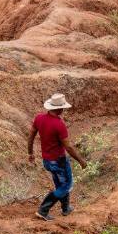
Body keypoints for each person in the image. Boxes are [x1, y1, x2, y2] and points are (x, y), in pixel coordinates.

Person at [27, 93, 87, 221]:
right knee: (66, 185)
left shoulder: (39, 118)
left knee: (61, 183)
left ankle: (66, 208)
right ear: (59, 109)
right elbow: (68, 147)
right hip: (59, 160)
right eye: (63, 108)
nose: (64, 110)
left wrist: (30, 153)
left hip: (47, 161)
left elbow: (31, 136)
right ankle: (43, 210)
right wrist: (81, 160)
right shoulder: (59, 124)